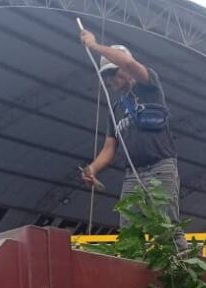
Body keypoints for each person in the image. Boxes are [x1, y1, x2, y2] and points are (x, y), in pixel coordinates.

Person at [78, 27, 185, 249]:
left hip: (160, 167)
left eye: (114, 73)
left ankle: (182, 269)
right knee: (129, 232)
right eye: (107, 76)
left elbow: (128, 63)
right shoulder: (115, 108)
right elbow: (110, 147)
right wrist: (92, 169)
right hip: (133, 175)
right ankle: (132, 269)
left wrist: (95, 46)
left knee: (166, 225)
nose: (111, 80)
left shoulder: (149, 86)